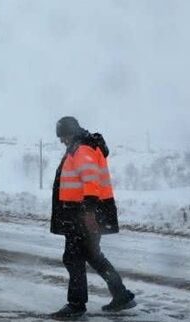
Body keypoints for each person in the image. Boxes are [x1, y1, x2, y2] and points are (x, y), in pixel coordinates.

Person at [50, 116, 136, 320]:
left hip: (82, 213)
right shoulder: (84, 146)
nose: (62, 141)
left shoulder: (82, 149)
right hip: (85, 212)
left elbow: (91, 181)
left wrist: (88, 213)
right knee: (93, 256)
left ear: (70, 133)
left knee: (73, 258)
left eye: (63, 136)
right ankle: (121, 295)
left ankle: (76, 305)